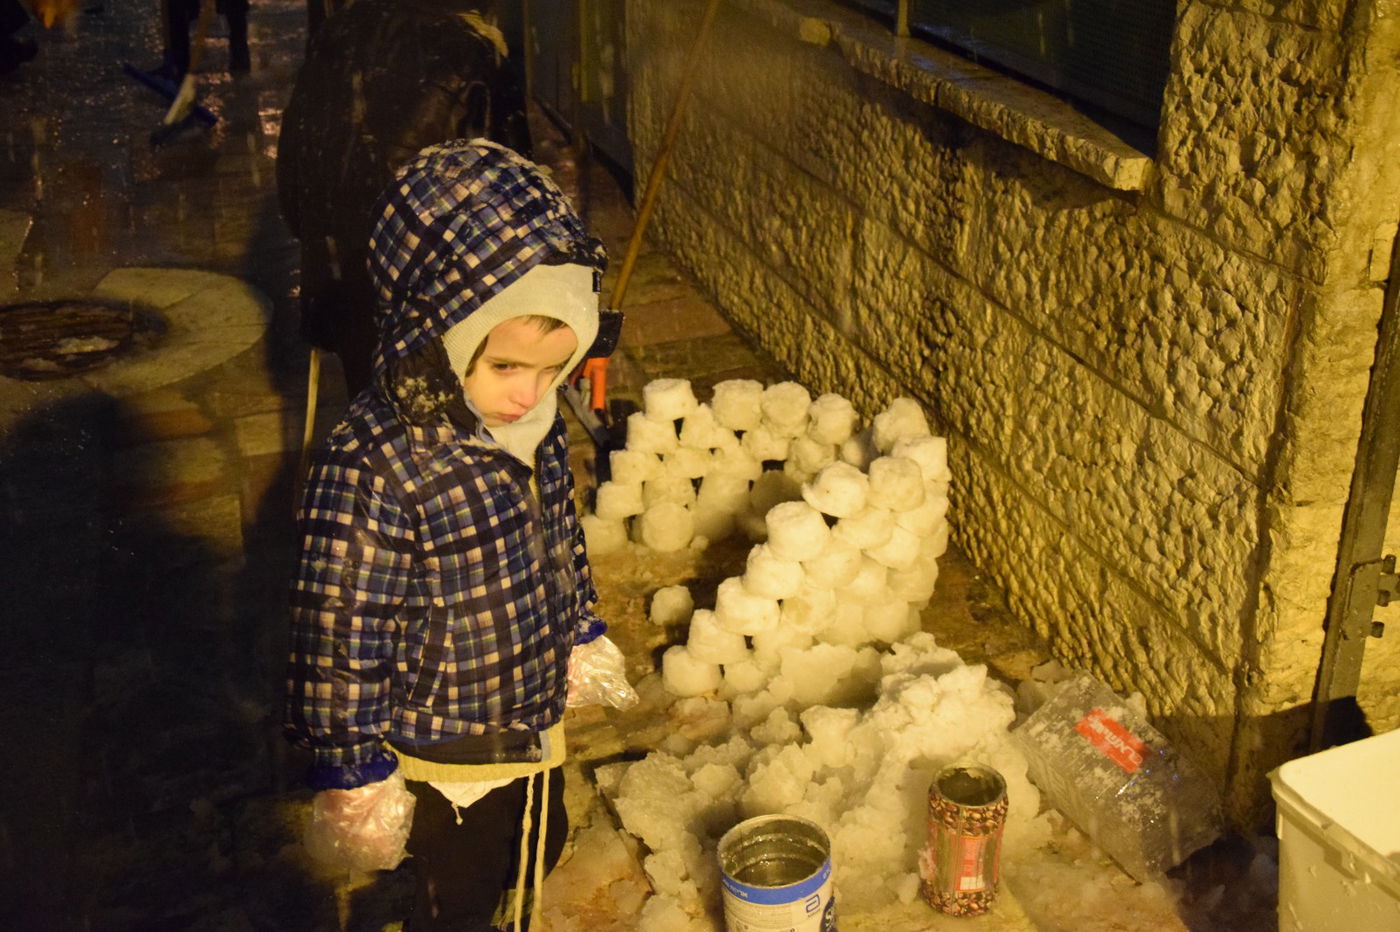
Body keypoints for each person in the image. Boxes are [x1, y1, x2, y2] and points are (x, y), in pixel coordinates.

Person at [284, 138, 610, 932]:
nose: (528, 395)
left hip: (528, 710)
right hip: (443, 737)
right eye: (504, 367)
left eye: (552, 368)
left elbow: (557, 534)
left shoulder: (531, 423)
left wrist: (580, 627)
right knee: (457, 894)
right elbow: (339, 626)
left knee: (538, 845)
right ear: (441, 328)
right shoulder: (376, 464)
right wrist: (351, 761)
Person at [276, 0, 531, 398]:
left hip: (343, 292)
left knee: (378, 424)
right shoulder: (471, 54)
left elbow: (293, 190)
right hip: (439, 309)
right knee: (448, 433)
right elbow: (518, 211)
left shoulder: (334, 35)